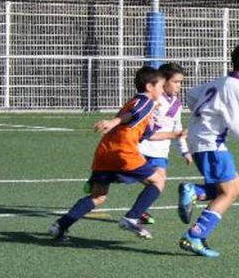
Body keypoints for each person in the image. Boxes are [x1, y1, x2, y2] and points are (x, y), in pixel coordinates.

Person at [48, 66, 178, 242]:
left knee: (98, 196)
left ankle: (60, 226)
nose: (162, 90)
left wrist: (176, 134)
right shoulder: (146, 102)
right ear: (149, 87)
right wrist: (114, 121)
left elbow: (149, 134)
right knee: (158, 180)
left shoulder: (135, 103)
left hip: (105, 152)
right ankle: (132, 217)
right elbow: (131, 114)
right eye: (161, 86)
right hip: (123, 152)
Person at [177, 43, 239, 258]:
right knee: (230, 191)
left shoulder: (221, 81)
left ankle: (197, 193)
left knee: (234, 187)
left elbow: (192, 95)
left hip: (200, 139)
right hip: (210, 143)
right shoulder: (236, 87)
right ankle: (195, 234)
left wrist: (204, 117)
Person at [135, 62, 192, 225]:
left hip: (161, 151)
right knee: (146, 179)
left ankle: (139, 211)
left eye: (180, 82)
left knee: (159, 181)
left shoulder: (177, 104)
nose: (179, 86)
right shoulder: (152, 99)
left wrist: (185, 151)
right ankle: (99, 179)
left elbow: (177, 127)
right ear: (163, 81)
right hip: (143, 146)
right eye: (175, 82)